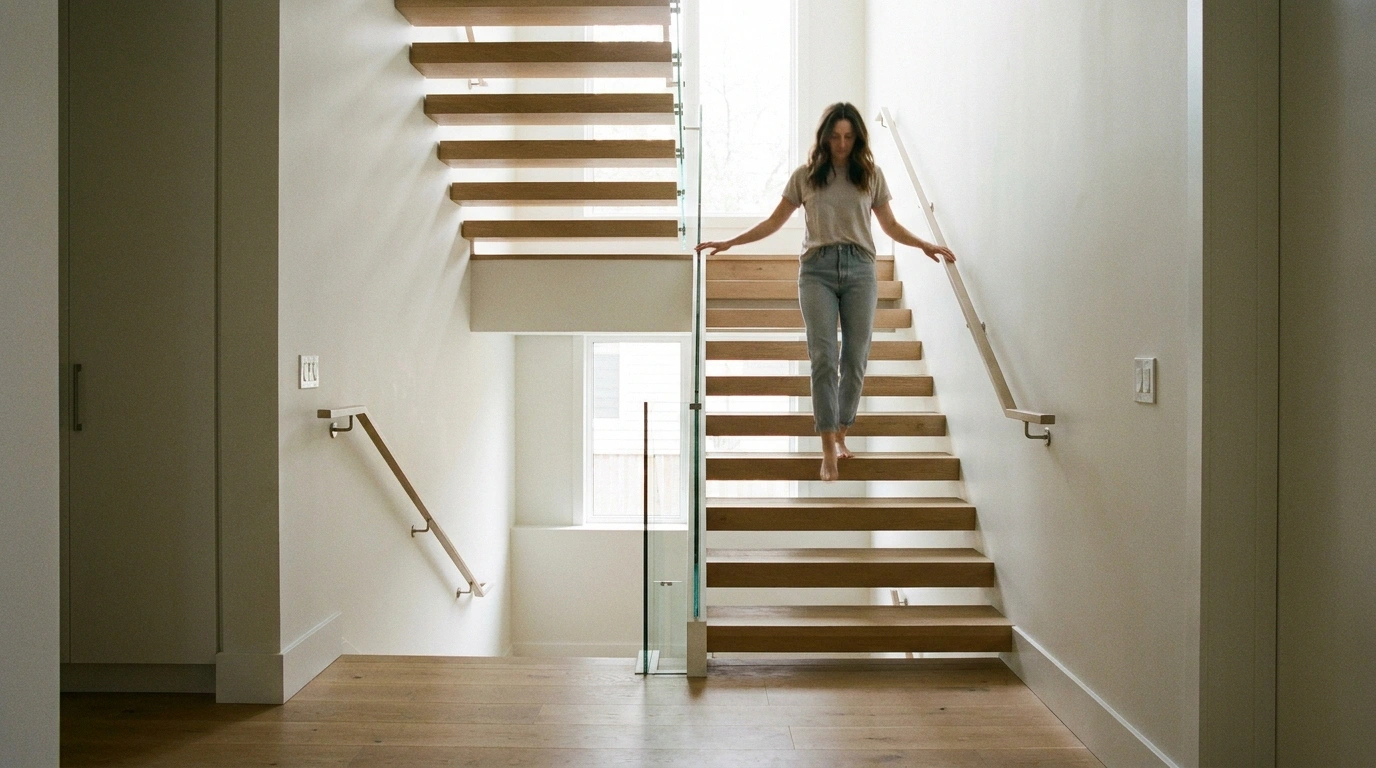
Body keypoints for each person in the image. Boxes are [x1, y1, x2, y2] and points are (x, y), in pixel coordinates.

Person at [696, 102, 956, 481]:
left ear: (858, 138)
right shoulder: (806, 176)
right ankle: (827, 448)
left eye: (849, 137)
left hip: (860, 270)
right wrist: (729, 242)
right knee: (822, 356)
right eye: (835, 136)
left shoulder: (871, 175)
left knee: (854, 357)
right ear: (824, 137)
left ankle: (841, 431)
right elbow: (774, 221)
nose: (841, 144)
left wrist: (924, 245)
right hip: (816, 270)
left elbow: (890, 226)